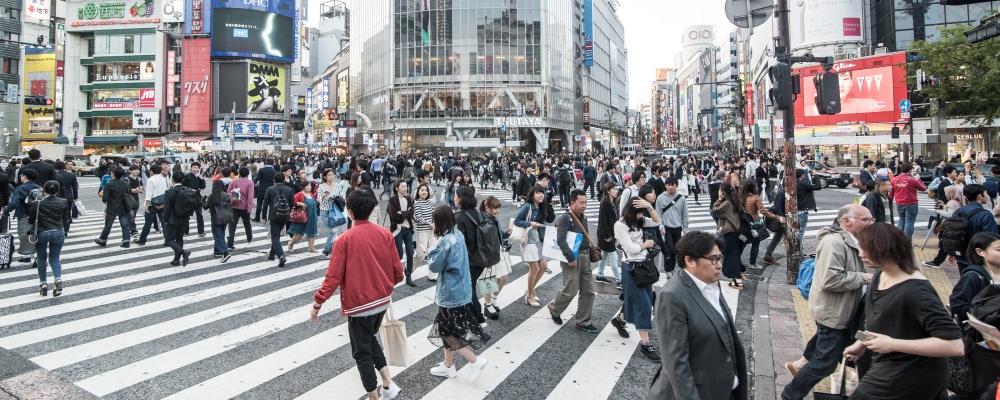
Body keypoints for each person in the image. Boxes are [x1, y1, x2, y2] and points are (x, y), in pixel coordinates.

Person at [843, 223, 964, 399]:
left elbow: (954, 345)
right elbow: (885, 321)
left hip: (910, 378)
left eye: (866, 248)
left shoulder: (915, 291)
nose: (861, 253)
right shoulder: (880, 275)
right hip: (886, 369)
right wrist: (861, 343)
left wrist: (893, 344)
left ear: (886, 249)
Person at [310, 188, 404, 400]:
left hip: (360, 304)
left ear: (349, 212)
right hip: (382, 299)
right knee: (369, 339)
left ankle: (374, 396)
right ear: (371, 209)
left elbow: (332, 277)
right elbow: (398, 269)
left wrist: (317, 303)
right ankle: (387, 382)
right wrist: (389, 284)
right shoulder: (384, 233)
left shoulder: (344, 239)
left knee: (361, 352)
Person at [781, 204, 873, 400]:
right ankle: (790, 394)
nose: (871, 223)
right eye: (865, 219)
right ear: (847, 221)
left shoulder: (853, 241)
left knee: (827, 345)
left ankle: (798, 366)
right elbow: (830, 280)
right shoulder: (835, 242)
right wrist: (865, 277)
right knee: (825, 363)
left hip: (843, 309)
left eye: (871, 219)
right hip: (835, 312)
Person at [648, 230, 748, 400]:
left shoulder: (710, 283)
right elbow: (676, 362)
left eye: (720, 258)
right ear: (690, 261)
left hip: (724, 388)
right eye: (713, 259)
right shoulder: (672, 295)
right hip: (698, 392)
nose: (719, 265)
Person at [425, 204, 491, 381]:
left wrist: (430, 250)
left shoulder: (446, 241)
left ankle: (475, 361)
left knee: (448, 331)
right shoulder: (456, 234)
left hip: (450, 292)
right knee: (447, 327)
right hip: (461, 289)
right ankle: (448, 366)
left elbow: (434, 265)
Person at [613, 194, 662, 360]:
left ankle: (620, 320)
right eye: (638, 212)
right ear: (630, 210)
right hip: (631, 269)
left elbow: (657, 221)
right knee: (644, 305)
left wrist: (649, 206)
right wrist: (646, 245)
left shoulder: (638, 221)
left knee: (638, 299)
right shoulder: (620, 226)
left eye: (642, 212)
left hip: (644, 266)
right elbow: (632, 249)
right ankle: (645, 345)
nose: (641, 215)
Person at [545, 189, 598, 332]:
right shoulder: (565, 218)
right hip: (572, 258)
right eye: (581, 203)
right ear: (572, 203)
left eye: (586, 203)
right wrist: (570, 258)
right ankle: (554, 308)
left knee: (588, 291)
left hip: (585, 257)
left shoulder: (584, 218)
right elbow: (561, 240)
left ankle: (583, 321)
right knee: (571, 289)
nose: (584, 205)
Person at [925, 184, 998, 271]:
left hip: (961, 255)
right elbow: (991, 238)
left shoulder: (958, 211)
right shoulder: (985, 215)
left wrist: (952, 253)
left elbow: (953, 232)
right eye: (986, 194)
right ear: (980, 196)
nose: (988, 196)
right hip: (978, 258)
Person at [29, 180, 67, 297]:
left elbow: (31, 220)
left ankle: (43, 284)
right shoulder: (63, 202)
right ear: (57, 190)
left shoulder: (37, 203)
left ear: (44, 190)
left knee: (41, 259)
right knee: (55, 259)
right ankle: (58, 280)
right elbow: (65, 219)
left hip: (42, 232)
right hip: (58, 231)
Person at [513, 185, 548, 307]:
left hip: (538, 240)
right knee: (534, 268)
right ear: (532, 194)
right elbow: (517, 221)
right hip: (529, 241)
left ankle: (530, 290)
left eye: (542, 193)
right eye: (538, 193)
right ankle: (529, 296)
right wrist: (530, 223)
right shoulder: (528, 206)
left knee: (543, 266)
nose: (541, 195)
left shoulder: (541, 207)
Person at [478, 196, 510, 320]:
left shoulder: (494, 219)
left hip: (497, 252)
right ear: (487, 208)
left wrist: (508, 232)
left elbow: (500, 234)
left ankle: (494, 299)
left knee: (503, 277)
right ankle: (487, 304)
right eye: (494, 208)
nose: (497, 211)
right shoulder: (482, 219)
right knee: (488, 279)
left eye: (498, 208)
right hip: (487, 254)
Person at [712, 183, 746, 290]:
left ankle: (738, 282)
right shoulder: (734, 201)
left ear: (723, 192)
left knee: (731, 257)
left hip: (730, 233)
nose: (719, 192)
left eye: (720, 190)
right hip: (735, 232)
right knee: (734, 255)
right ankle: (738, 277)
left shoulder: (727, 203)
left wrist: (719, 199)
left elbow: (715, 210)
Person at [656, 177, 688, 276]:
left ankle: (673, 268)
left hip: (677, 227)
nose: (670, 187)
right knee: (669, 249)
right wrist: (661, 225)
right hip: (666, 228)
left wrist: (685, 227)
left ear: (676, 186)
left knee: (677, 249)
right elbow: (658, 213)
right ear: (665, 185)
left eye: (672, 185)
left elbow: (684, 214)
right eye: (668, 185)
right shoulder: (660, 198)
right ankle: (668, 269)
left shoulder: (681, 198)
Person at [742, 180, 777, 270]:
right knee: (755, 243)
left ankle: (736, 259)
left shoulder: (741, 197)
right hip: (755, 223)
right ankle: (752, 263)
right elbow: (763, 211)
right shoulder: (756, 197)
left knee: (743, 241)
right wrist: (775, 216)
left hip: (744, 222)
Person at [387, 180, 416, 287]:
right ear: (397, 188)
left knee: (410, 252)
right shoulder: (392, 200)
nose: (405, 188)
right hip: (397, 229)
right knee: (398, 254)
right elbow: (394, 216)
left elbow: (412, 212)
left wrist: (402, 213)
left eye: (406, 186)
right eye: (403, 186)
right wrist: (406, 213)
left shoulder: (408, 198)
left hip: (408, 228)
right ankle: (394, 273)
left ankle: (408, 275)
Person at [162, 172, 194, 267]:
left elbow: (166, 208)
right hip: (184, 218)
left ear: (172, 180)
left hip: (173, 219)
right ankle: (176, 259)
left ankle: (183, 252)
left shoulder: (169, 192)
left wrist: (165, 219)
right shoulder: (187, 190)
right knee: (180, 238)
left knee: (169, 239)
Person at [263, 174, 295, 267]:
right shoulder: (289, 190)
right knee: (276, 235)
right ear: (284, 180)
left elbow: (265, 204)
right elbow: (292, 204)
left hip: (274, 215)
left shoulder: (270, 189)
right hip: (285, 215)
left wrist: (264, 216)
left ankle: (281, 255)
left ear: (274, 180)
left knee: (275, 237)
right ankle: (272, 255)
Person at [95, 167, 132, 248]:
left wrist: (107, 202)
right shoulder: (126, 184)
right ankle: (126, 241)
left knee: (108, 225)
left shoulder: (109, 184)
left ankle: (103, 240)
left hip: (112, 207)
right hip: (124, 207)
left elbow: (105, 198)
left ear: (113, 174)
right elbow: (129, 194)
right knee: (125, 225)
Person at [889, 163, 926, 239]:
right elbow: (923, 188)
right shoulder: (912, 180)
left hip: (899, 202)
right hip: (911, 202)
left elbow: (891, 192)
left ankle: (899, 238)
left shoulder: (894, 179)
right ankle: (907, 239)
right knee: (909, 221)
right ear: (910, 170)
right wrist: (918, 179)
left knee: (901, 219)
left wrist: (891, 201)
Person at [595, 182, 621, 287]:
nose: (616, 191)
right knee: (613, 257)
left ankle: (600, 275)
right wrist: (607, 235)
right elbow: (603, 220)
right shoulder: (605, 202)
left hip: (611, 233)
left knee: (604, 255)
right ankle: (619, 281)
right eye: (614, 189)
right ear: (608, 191)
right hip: (605, 234)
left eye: (616, 189)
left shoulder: (613, 202)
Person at [412, 183, 438, 281]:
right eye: (422, 190)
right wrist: (428, 223)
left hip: (431, 231)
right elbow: (418, 218)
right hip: (422, 231)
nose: (424, 192)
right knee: (421, 254)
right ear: (418, 192)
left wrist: (434, 223)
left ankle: (432, 275)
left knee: (433, 253)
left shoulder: (428, 202)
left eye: (426, 190)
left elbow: (434, 213)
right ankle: (408, 269)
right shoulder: (417, 203)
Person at [137, 164, 168, 246]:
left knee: (148, 222)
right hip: (162, 202)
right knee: (164, 222)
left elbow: (148, 194)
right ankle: (167, 240)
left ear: (151, 171)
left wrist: (146, 205)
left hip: (152, 203)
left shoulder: (150, 180)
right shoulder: (163, 179)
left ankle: (142, 240)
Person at [316, 169, 344, 257]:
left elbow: (342, 196)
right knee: (332, 232)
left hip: (335, 211)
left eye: (332, 175)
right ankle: (326, 250)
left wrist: (339, 199)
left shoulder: (337, 185)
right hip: (325, 211)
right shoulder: (322, 186)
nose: (331, 176)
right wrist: (324, 197)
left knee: (333, 231)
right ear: (325, 177)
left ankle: (330, 251)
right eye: (329, 175)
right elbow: (319, 200)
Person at [287, 180, 319, 254]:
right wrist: (300, 204)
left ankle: (311, 247)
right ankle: (291, 244)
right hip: (303, 217)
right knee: (299, 233)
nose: (309, 187)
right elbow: (292, 202)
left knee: (311, 232)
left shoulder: (311, 194)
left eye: (310, 185)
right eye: (307, 185)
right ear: (302, 187)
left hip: (312, 217)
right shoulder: (299, 194)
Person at [205, 180, 233, 262]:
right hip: (225, 217)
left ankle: (225, 253)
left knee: (217, 236)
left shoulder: (212, 196)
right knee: (221, 234)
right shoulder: (226, 195)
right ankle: (217, 250)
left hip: (216, 217)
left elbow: (205, 207)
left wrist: (203, 200)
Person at [227, 168, 254, 250]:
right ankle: (249, 237)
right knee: (247, 223)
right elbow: (250, 197)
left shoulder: (233, 181)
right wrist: (249, 208)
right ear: (248, 174)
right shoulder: (250, 183)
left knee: (232, 225)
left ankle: (230, 243)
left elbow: (228, 192)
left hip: (234, 206)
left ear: (239, 173)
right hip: (245, 207)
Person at [796, 169, 822, 242]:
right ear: (801, 175)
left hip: (796, 209)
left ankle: (797, 250)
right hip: (802, 211)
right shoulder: (803, 184)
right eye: (804, 174)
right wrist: (815, 175)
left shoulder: (794, 183)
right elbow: (818, 186)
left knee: (797, 231)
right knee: (801, 232)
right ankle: (799, 251)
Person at [183, 162, 207, 237]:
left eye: (197, 168)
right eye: (194, 167)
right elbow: (183, 186)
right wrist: (190, 190)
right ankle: (185, 231)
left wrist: (202, 179)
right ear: (191, 168)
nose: (195, 169)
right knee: (187, 215)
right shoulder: (187, 176)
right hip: (189, 198)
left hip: (197, 197)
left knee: (199, 214)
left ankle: (201, 231)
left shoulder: (199, 176)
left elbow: (203, 187)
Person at [53, 161, 78, 234]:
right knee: (67, 213)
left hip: (57, 196)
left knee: (57, 212)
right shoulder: (71, 175)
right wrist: (75, 197)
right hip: (68, 196)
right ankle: (66, 229)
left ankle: (57, 227)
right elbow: (74, 187)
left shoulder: (55, 175)